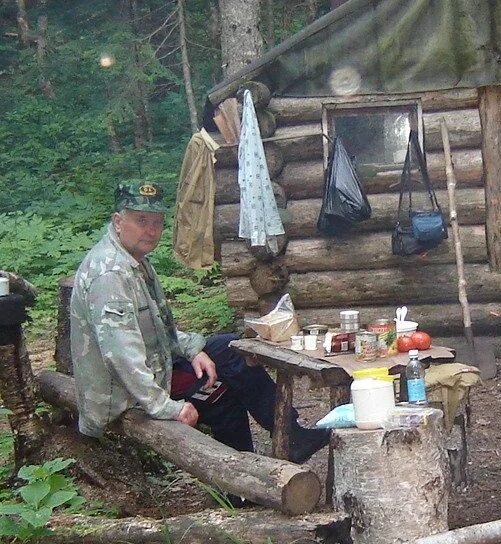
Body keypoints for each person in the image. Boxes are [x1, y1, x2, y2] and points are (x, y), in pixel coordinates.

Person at [69, 181, 329, 464]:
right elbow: (121, 357)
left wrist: (194, 349)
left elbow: (160, 328)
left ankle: (289, 437)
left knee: (232, 349)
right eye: (141, 220)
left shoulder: (135, 261)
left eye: (156, 222)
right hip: (120, 398)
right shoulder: (110, 275)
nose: (150, 230)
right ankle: (241, 480)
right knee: (219, 392)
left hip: (153, 368)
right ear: (118, 221)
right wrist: (166, 407)